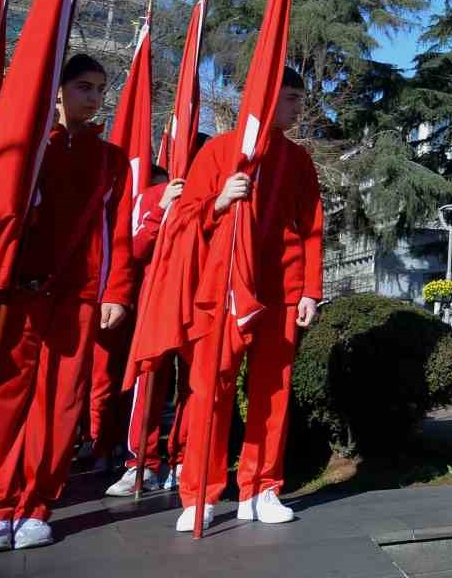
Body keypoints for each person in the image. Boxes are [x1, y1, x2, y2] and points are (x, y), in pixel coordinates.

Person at [0, 55, 130, 552]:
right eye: (81, 87)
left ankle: (36, 506)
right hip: (21, 292)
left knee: (61, 404)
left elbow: (119, 235)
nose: (91, 98)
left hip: (79, 297)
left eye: (99, 89)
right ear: (58, 91)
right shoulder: (30, 150)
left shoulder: (112, 161)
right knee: (6, 396)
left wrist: (115, 291)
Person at [174, 69, 321, 532]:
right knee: (210, 391)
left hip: (282, 289)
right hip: (225, 288)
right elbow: (183, 219)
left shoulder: (298, 159)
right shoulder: (219, 150)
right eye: (292, 98)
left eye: (300, 99)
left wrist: (310, 290)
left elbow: (312, 226)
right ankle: (199, 495)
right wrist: (218, 202)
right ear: (265, 96)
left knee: (272, 392)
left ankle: (261, 488)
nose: (299, 108)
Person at [105, 164, 189, 497]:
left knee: (195, 385)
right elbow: (134, 248)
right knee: (148, 379)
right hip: (155, 302)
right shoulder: (151, 196)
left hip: (196, 302)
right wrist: (161, 207)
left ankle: (183, 459)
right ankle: (141, 463)